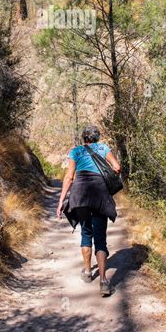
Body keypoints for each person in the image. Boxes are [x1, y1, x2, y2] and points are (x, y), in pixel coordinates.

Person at [56, 125, 121, 297]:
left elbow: (69, 177)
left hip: (80, 194)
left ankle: (86, 271)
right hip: (99, 194)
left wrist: (61, 200)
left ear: (84, 138)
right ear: (97, 138)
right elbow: (117, 167)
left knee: (86, 232)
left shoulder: (75, 151)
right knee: (100, 238)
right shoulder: (103, 148)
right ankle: (104, 281)